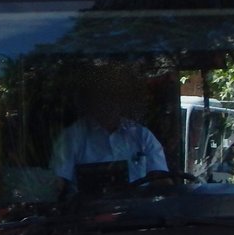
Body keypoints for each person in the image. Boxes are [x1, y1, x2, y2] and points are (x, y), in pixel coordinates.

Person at [50, 64, 169, 195]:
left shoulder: (142, 135)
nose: (110, 101)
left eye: (116, 95)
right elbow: (57, 185)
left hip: (139, 212)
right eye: (104, 95)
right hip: (85, 212)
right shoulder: (72, 137)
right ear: (92, 99)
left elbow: (162, 182)